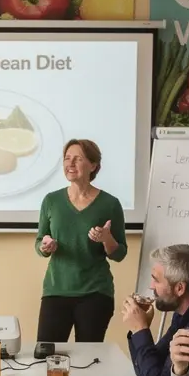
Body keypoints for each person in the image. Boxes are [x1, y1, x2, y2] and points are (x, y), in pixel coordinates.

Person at [35, 138, 128, 343]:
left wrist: (106, 239)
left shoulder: (110, 204)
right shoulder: (51, 200)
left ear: (93, 165)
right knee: (45, 353)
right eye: (67, 158)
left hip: (95, 292)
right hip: (56, 289)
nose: (70, 163)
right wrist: (45, 246)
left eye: (77, 159)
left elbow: (120, 253)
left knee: (88, 356)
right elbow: (39, 242)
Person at [120, 244, 189, 376]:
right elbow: (144, 370)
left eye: (156, 280)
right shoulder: (182, 314)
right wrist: (139, 331)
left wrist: (140, 329)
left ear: (180, 288)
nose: (151, 286)